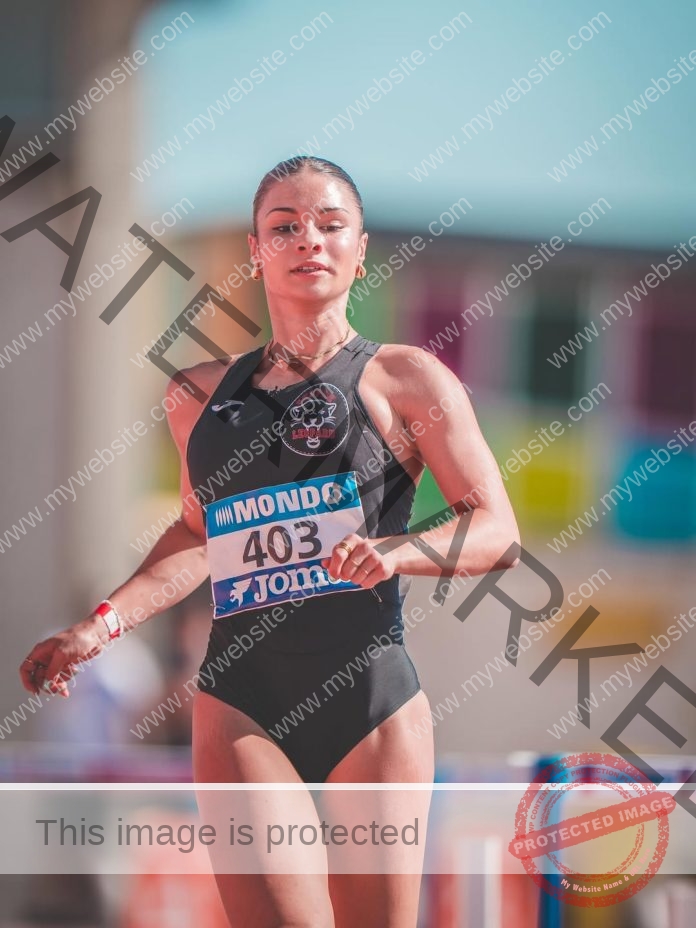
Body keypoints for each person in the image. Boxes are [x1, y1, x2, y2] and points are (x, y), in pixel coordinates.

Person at [20, 156, 520, 927]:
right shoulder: (195, 394)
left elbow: (497, 530)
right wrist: (102, 624)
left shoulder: (406, 379)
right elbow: (197, 531)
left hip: (370, 697)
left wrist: (397, 551)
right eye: (284, 226)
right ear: (255, 253)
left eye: (329, 225)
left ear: (360, 250)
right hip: (241, 699)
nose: (307, 240)